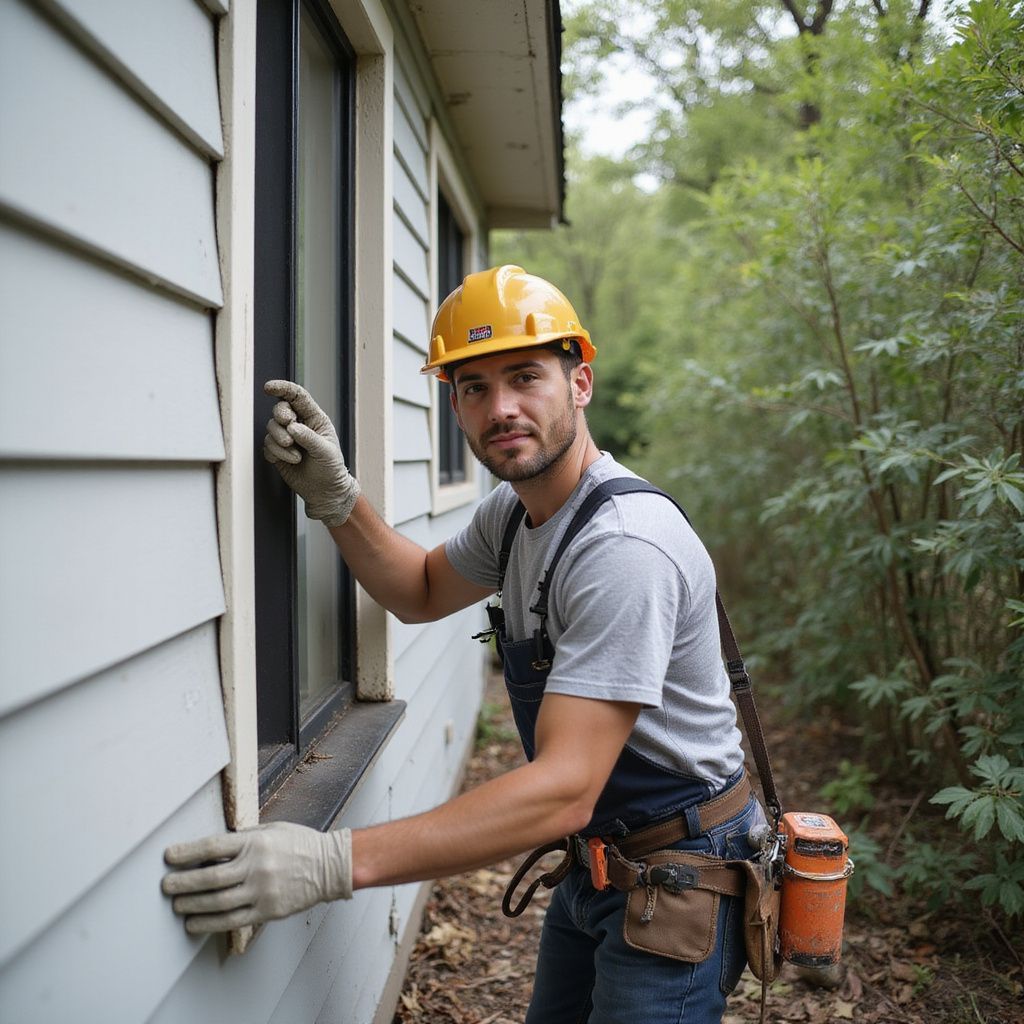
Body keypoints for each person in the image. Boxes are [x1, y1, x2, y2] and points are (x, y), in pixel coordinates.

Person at [162, 264, 765, 1023]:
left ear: (580, 382)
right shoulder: (513, 516)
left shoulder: (622, 549)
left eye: (525, 376)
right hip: (599, 861)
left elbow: (564, 786)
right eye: (473, 387)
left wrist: (331, 861)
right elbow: (418, 589)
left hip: (681, 873)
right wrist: (337, 499)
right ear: (453, 403)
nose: (501, 407)